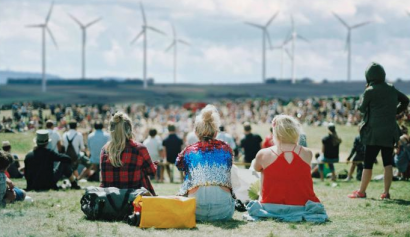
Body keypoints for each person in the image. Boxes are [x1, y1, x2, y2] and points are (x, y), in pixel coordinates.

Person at [248, 115, 327, 223]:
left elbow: (256, 169)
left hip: (270, 206)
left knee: (258, 167)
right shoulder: (307, 153)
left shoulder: (263, 154)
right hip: (302, 206)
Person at [349, 63, 409, 199]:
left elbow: (362, 109)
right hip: (389, 131)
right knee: (387, 163)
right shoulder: (391, 88)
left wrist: (365, 93)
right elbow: (405, 100)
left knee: (368, 162)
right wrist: (395, 111)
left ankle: (362, 192)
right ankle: (386, 193)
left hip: (373, 133)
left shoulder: (369, 90)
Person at [176, 105, 235, 221]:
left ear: (196, 133)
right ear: (216, 132)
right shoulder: (226, 149)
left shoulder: (189, 151)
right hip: (224, 211)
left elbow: (179, 164)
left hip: (195, 211)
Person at [100, 112, 157, 195]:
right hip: (134, 198)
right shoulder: (139, 149)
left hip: (110, 199)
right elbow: (152, 172)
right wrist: (154, 164)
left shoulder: (105, 149)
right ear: (130, 128)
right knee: (142, 172)